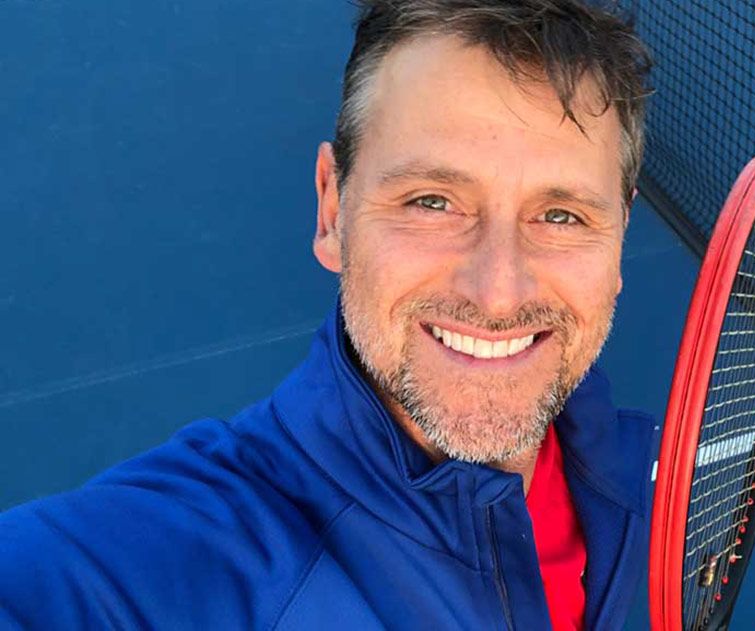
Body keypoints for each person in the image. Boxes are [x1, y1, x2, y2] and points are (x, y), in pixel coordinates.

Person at [0, 1, 654, 628]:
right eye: (431, 202)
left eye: (561, 216)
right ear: (333, 211)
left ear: (620, 235)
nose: (498, 293)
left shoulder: (617, 455)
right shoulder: (195, 553)